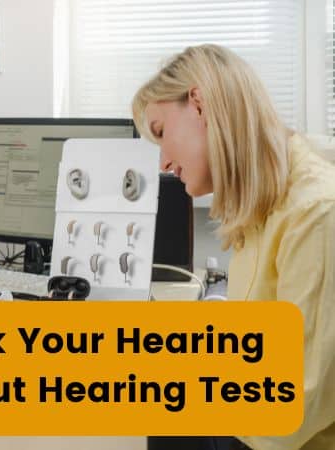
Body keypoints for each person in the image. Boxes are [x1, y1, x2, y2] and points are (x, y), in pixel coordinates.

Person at [132, 44, 334, 450]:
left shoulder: (315, 213)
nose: (163, 163)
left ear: (200, 104)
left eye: (161, 133)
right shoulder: (262, 201)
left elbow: (289, 407)